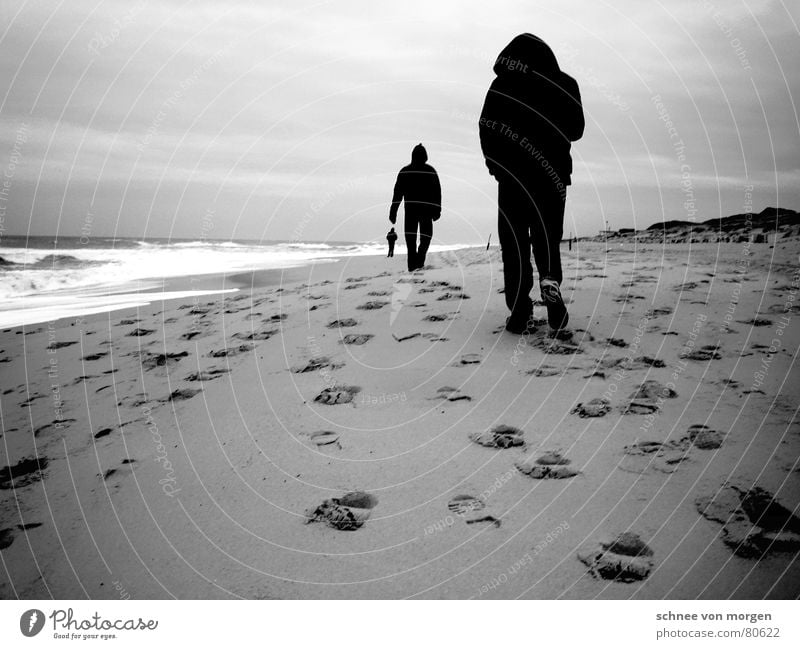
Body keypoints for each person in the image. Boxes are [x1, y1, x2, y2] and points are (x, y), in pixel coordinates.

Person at [479, 34, 584, 334]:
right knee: (547, 239)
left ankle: (520, 309)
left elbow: (486, 127)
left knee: (514, 243)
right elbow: (576, 130)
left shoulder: (503, 84)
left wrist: (495, 165)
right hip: (552, 178)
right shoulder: (565, 84)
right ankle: (550, 288)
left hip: (512, 178)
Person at [389, 143, 441, 271]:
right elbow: (398, 193)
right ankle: (415, 265)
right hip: (418, 212)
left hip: (419, 212)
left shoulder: (422, 171)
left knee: (419, 240)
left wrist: (393, 211)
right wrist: (393, 211)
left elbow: (436, 192)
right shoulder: (419, 171)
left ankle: (417, 262)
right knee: (416, 241)